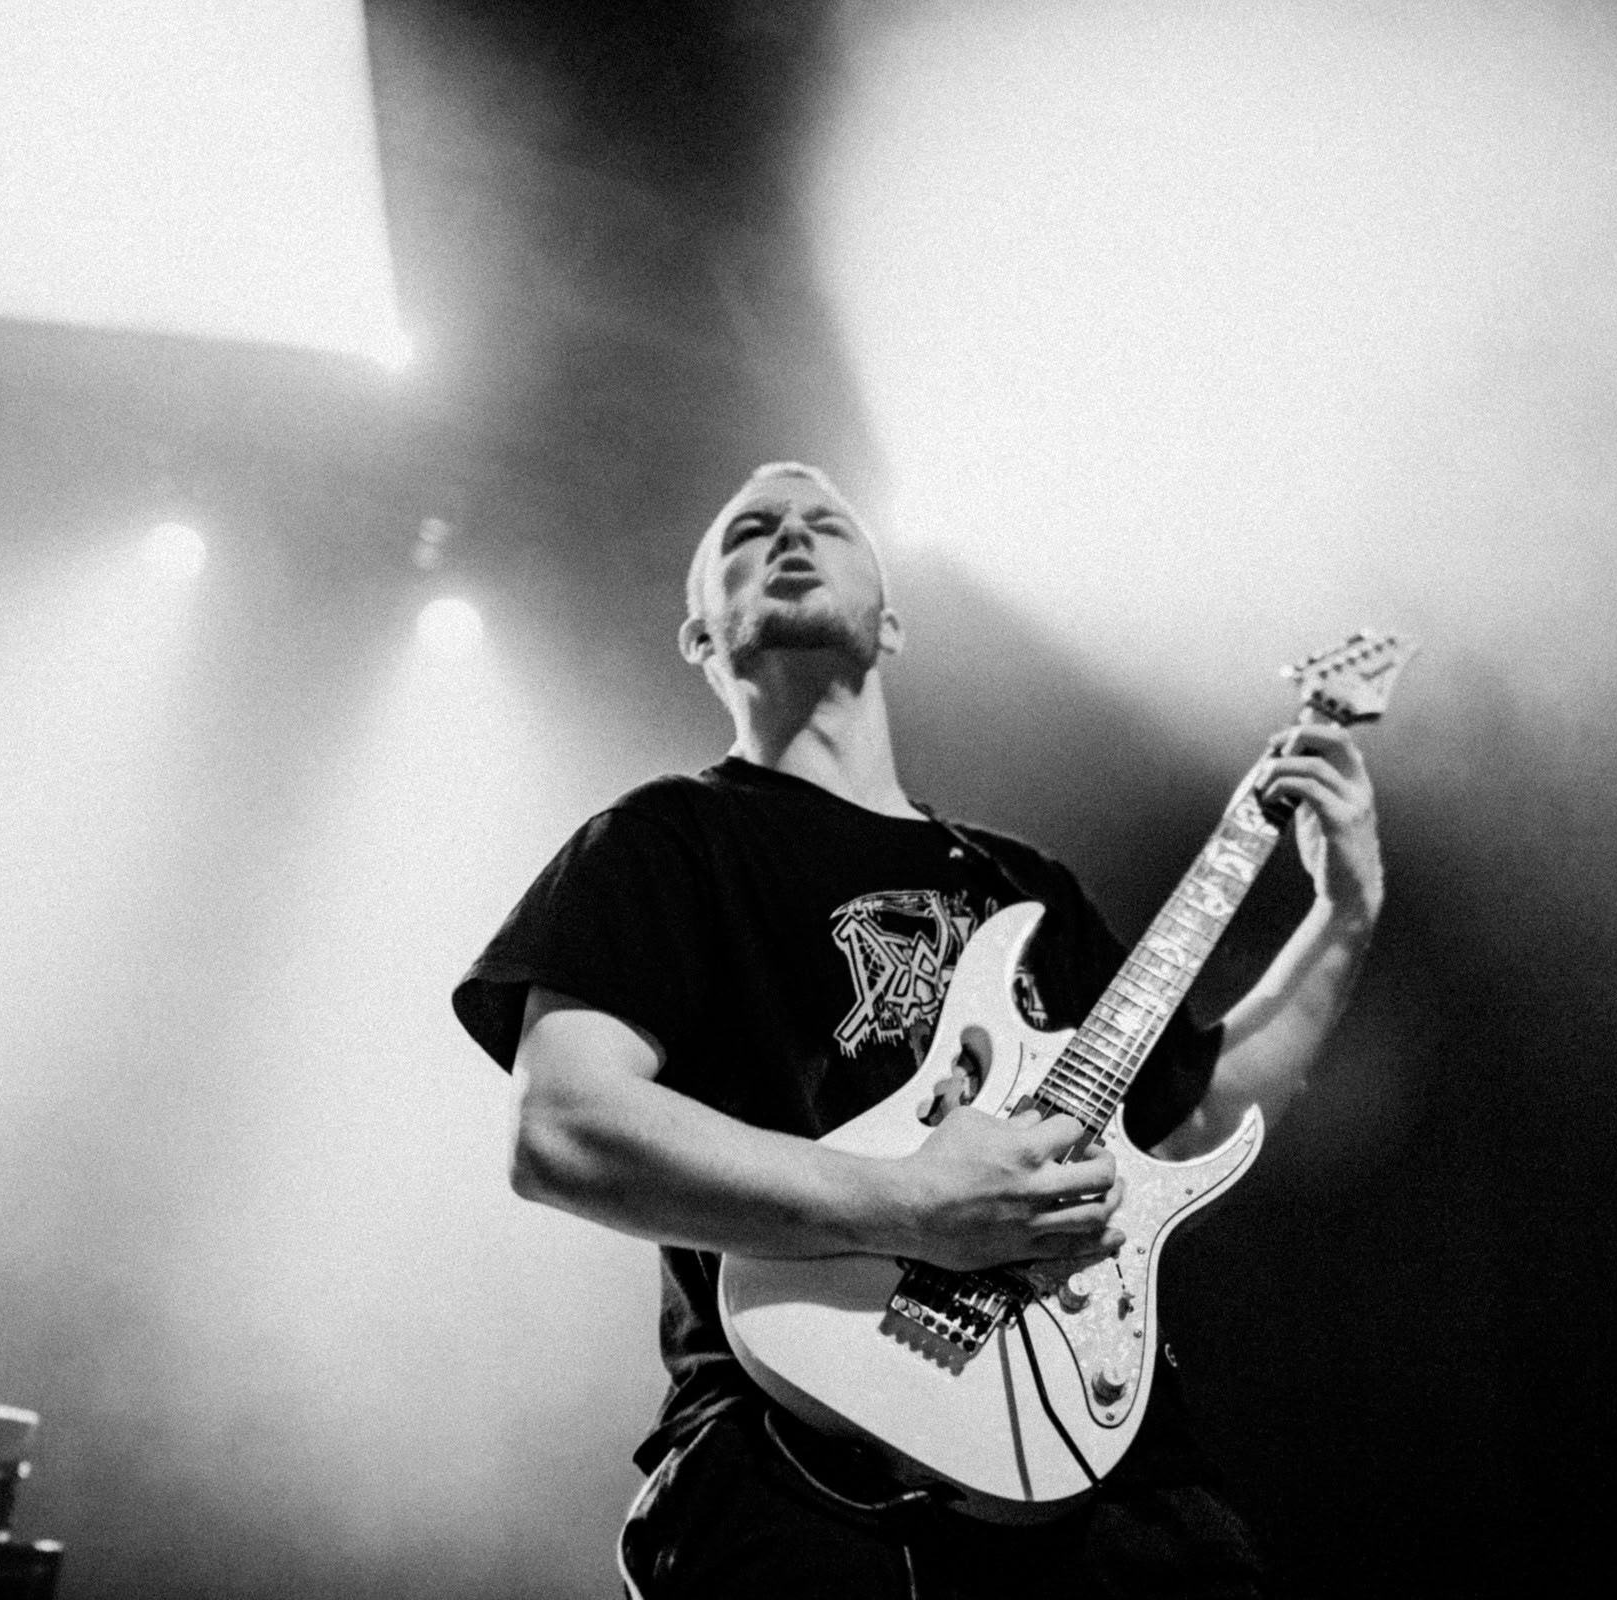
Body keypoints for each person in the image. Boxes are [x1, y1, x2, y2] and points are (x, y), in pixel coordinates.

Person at [452, 462, 1383, 1598]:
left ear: (891, 622)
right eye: (749, 530)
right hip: (804, 1448)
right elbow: (564, 1127)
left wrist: (1346, 910)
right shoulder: (664, 837)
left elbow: (1187, 1125)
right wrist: (913, 1205)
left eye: (827, 523)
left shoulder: (1025, 884)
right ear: (699, 637)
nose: (791, 535)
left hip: (1110, 1476)